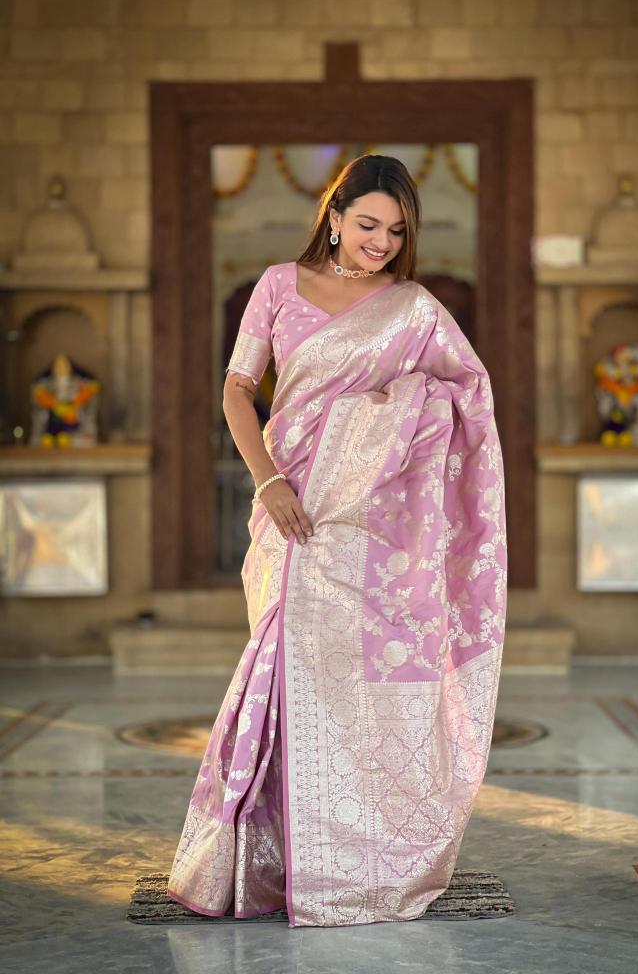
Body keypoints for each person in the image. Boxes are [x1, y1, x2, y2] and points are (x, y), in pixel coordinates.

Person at [167, 154, 508, 928]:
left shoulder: (414, 308)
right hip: (290, 512)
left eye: (395, 230)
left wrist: (396, 412)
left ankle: (360, 859)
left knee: (358, 696)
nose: (380, 242)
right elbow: (237, 390)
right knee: (282, 673)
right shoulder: (277, 286)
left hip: (373, 525)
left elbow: (469, 392)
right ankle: (263, 861)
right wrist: (268, 481)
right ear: (333, 214)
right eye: (366, 225)